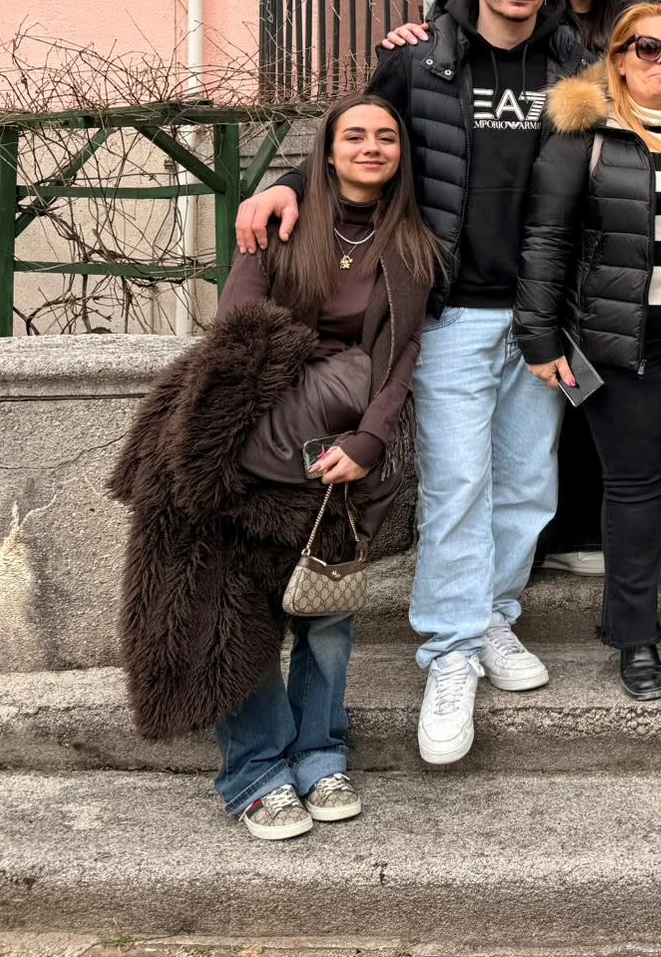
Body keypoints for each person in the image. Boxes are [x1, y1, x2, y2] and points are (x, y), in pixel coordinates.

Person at [234, 0, 591, 766]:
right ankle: (450, 651)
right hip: (452, 311)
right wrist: (285, 183)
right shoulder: (417, 58)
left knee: (528, 482)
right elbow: (356, 139)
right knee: (461, 482)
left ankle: (494, 615)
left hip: (545, 313)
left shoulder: (574, 60)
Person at [115, 95, 437, 841]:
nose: (370, 147)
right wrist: (232, 441)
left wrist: (371, 440)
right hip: (255, 434)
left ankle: (321, 754)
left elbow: (403, 357)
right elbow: (235, 333)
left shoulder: (415, 246)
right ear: (324, 152)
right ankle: (255, 772)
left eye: (386, 137)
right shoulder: (278, 224)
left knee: (326, 613)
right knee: (241, 607)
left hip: (339, 447)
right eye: (354, 135)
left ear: (401, 154)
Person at [516, 3, 661, 699]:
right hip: (615, 329)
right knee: (633, 480)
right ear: (618, 57)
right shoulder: (582, 132)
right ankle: (633, 634)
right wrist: (538, 333)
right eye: (647, 48)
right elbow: (546, 238)